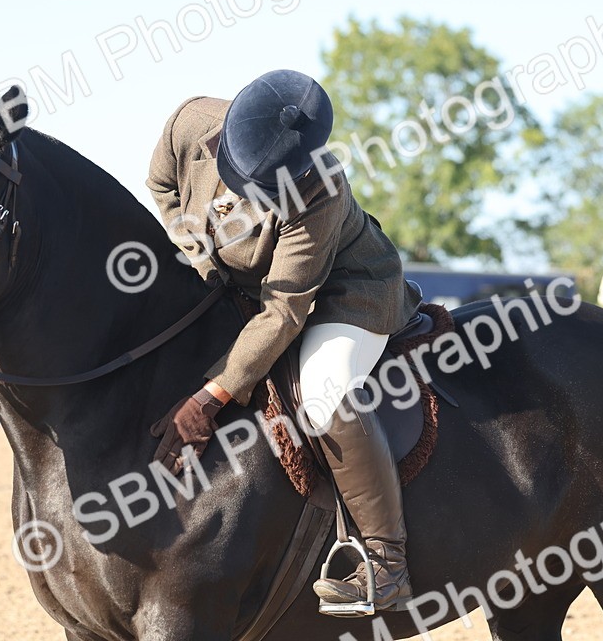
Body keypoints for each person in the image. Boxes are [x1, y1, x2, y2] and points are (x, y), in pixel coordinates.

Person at [145, 69, 422, 613]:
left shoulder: (321, 185)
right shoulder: (188, 122)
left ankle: (387, 563)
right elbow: (162, 189)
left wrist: (209, 398)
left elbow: (285, 308)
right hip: (238, 282)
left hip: (346, 292)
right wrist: (198, 250)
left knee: (323, 393)